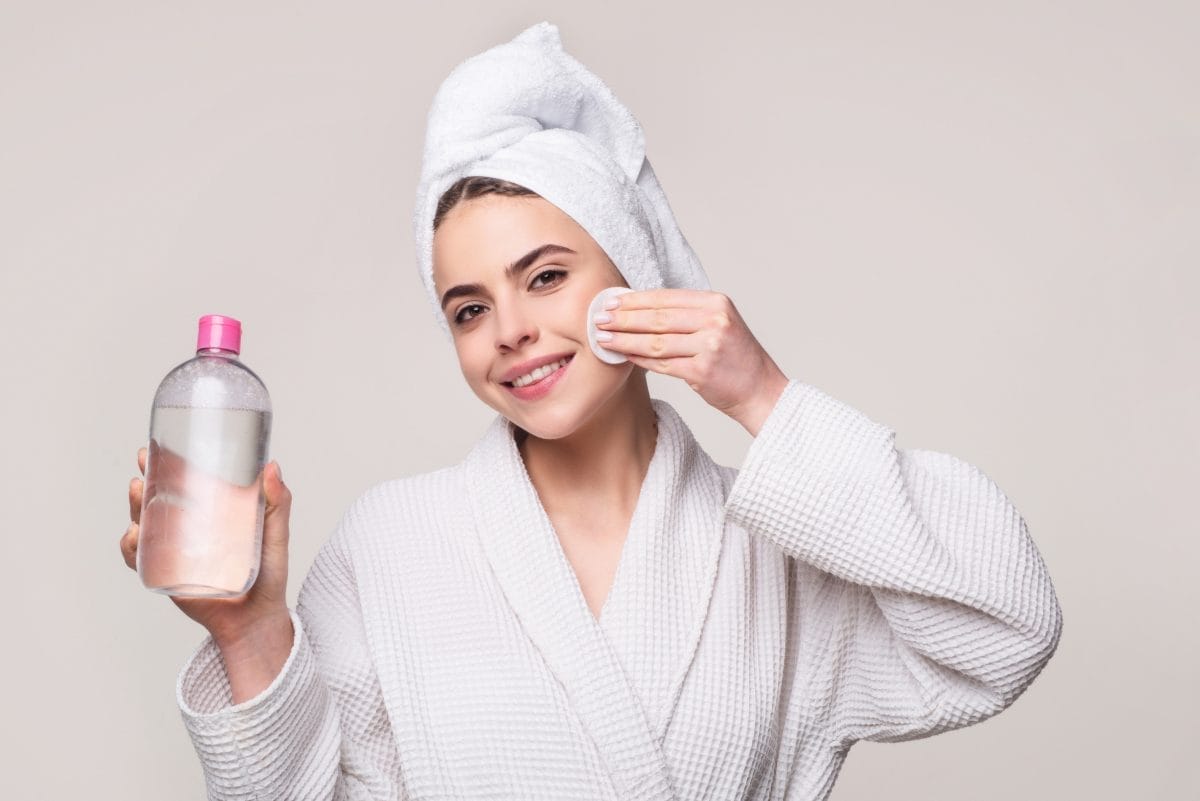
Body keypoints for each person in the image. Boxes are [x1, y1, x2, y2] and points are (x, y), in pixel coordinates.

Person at [120, 22, 1063, 801]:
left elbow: (1007, 625)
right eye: (471, 308)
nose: (513, 331)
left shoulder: (781, 547)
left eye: (547, 276)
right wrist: (248, 635)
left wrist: (761, 394)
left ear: (635, 273)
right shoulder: (391, 543)